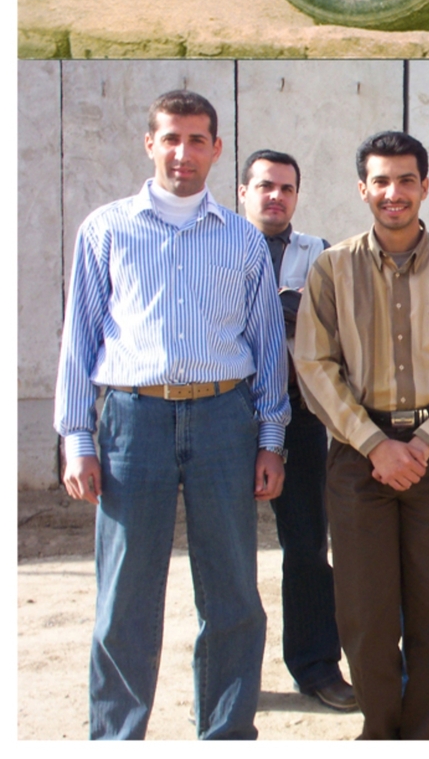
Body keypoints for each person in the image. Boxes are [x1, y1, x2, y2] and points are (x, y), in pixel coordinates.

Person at [54, 90, 289, 740]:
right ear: (149, 144)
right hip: (134, 423)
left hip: (223, 421)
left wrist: (271, 439)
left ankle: (226, 733)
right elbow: (81, 338)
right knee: (125, 595)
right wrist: (78, 438)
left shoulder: (241, 238)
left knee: (233, 593)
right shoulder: (107, 230)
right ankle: (117, 737)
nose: (183, 153)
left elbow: (267, 344)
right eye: (171, 138)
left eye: (196, 140)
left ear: (217, 149)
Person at [294, 130, 429, 740]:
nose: (394, 192)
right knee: (365, 611)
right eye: (380, 180)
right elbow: (314, 365)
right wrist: (374, 443)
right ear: (363, 189)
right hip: (359, 460)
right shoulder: (331, 269)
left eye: (406, 179)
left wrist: (427, 442)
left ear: (426, 187)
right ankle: (379, 732)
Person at [238, 149, 356, 713]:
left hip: (301, 416)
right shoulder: (217, 246)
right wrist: (286, 311)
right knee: (226, 551)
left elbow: (336, 324)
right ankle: (230, 680)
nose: (274, 196)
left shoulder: (320, 254)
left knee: (307, 545)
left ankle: (315, 666)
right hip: (227, 414)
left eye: (285, 188)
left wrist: (292, 312)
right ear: (243, 192)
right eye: (263, 186)